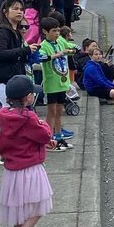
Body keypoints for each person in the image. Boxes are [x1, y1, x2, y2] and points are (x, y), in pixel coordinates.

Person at [0, 75, 54, 227]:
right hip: (30, 167)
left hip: (13, 169)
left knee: (19, 208)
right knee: (37, 207)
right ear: (28, 97)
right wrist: (43, 123)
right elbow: (45, 133)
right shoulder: (28, 117)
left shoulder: (5, 115)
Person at [0, 0, 36, 106]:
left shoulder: (16, 31)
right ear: (5, 12)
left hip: (15, 79)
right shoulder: (1, 31)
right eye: (15, 9)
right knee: (13, 112)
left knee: (23, 113)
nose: (19, 12)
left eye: (21, 9)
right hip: (1, 79)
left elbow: (18, 56)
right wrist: (25, 50)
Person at [38, 16, 75, 150]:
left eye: (58, 30)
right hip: (51, 84)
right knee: (51, 112)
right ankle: (48, 138)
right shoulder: (43, 46)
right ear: (45, 32)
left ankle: (59, 137)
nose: (57, 33)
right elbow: (42, 57)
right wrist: (59, 54)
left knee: (59, 111)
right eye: (54, 31)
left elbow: (70, 46)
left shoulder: (60, 41)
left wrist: (72, 50)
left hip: (62, 82)